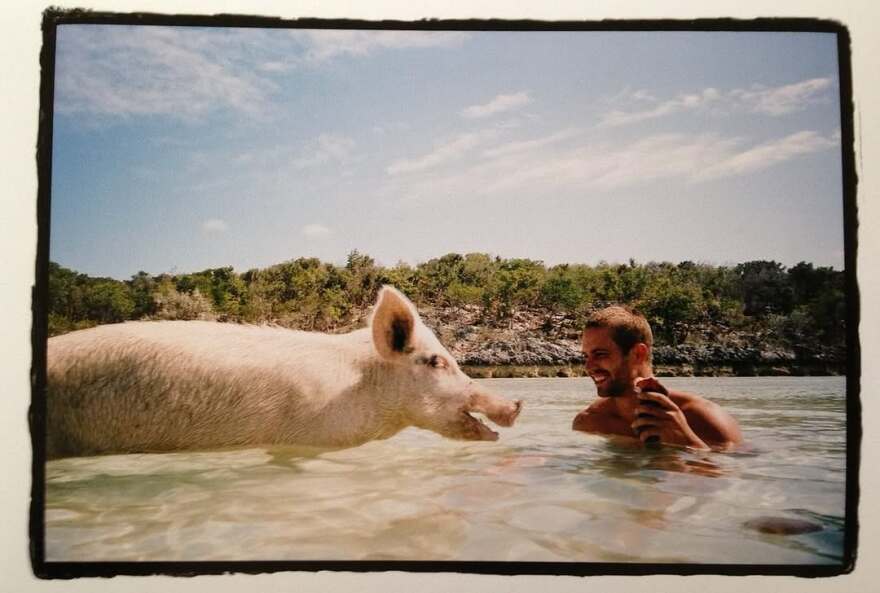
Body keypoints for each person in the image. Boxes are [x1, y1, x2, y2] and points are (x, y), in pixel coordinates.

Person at [572, 305, 742, 450]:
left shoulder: (704, 418)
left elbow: (737, 481)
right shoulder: (590, 421)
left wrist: (687, 441)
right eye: (586, 356)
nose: (588, 366)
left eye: (600, 354)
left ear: (638, 354)